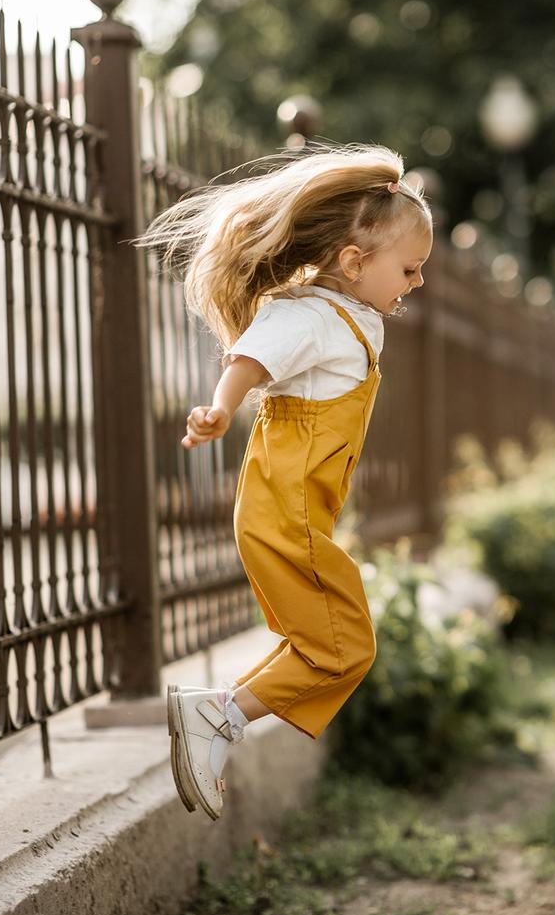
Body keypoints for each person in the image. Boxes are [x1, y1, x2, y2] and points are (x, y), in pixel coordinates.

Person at [136, 144, 432, 820]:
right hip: (285, 517)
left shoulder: (349, 316)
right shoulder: (308, 315)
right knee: (345, 646)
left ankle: (218, 715)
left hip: (296, 517)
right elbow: (250, 356)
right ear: (355, 263)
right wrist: (220, 406)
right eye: (409, 270)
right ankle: (218, 715)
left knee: (333, 646)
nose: (415, 284)